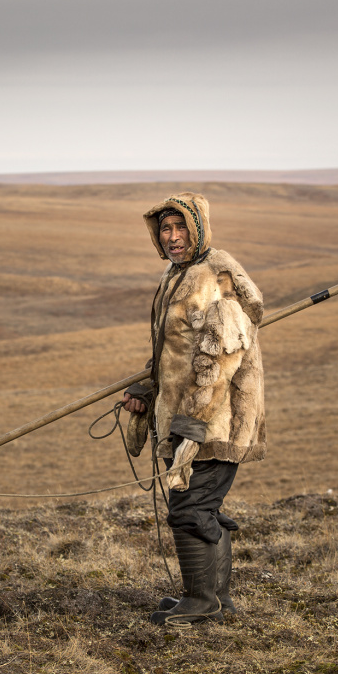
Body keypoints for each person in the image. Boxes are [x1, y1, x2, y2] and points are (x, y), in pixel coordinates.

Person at [122, 192, 266, 625]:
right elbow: (175, 352)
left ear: (198, 228)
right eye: (165, 229)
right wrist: (147, 388)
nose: (172, 236)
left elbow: (217, 360)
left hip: (211, 420)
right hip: (188, 418)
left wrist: (190, 423)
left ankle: (201, 602)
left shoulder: (216, 277)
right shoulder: (178, 275)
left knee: (190, 507)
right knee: (201, 506)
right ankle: (215, 600)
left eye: (180, 227)